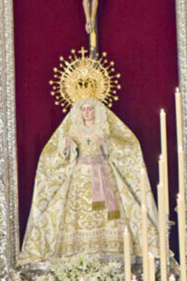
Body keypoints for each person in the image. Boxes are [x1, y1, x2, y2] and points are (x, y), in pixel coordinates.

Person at [19, 97, 159, 263]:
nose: (87, 112)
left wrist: (108, 144)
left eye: (90, 109)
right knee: (78, 213)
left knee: (108, 215)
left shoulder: (104, 127)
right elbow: (55, 154)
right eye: (84, 109)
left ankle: (112, 255)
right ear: (79, 112)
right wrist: (65, 148)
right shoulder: (73, 129)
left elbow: (127, 146)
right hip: (80, 176)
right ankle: (80, 258)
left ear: (96, 110)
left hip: (103, 174)